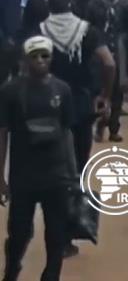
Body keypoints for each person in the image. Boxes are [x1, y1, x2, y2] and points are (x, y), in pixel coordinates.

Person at [0, 36, 76, 281]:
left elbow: (66, 133)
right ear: (25, 59)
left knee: (56, 233)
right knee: (19, 232)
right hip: (23, 177)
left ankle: (51, 275)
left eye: (45, 56)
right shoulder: (10, 91)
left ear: (51, 58)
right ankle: (11, 270)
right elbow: (2, 134)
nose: (40, 61)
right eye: (35, 56)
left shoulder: (63, 90)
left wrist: (73, 174)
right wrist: (0, 176)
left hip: (56, 174)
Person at [40, 0, 114, 175]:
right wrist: (105, 95)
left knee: (52, 156)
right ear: (72, 3)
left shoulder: (40, 31)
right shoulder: (87, 31)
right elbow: (109, 63)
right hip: (81, 98)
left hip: (47, 99)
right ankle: (78, 191)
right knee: (81, 152)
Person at [87, 0, 125, 143]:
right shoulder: (93, 4)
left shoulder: (123, 4)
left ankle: (114, 129)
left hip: (119, 50)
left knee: (118, 93)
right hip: (99, 53)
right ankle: (100, 125)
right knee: (101, 91)